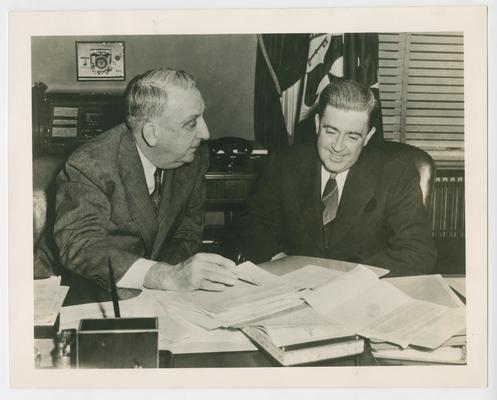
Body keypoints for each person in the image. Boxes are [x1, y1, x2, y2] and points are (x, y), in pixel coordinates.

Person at [52, 68, 237, 292]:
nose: (206, 133)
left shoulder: (194, 157)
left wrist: (172, 279)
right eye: (191, 123)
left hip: (155, 293)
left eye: (202, 117)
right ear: (151, 133)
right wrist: (162, 276)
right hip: (88, 289)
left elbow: (187, 233)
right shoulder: (90, 165)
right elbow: (81, 245)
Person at [242, 79, 436, 276]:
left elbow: (417, 252)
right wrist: (279, 260)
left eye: (352, 137)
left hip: (363, 292)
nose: (338, 146)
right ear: (318, 124)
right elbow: (255, 225)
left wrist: (348, 277)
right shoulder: (285, 164)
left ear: (368, 136)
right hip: (294, 288)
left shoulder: (396, 174)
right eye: (331, 131)